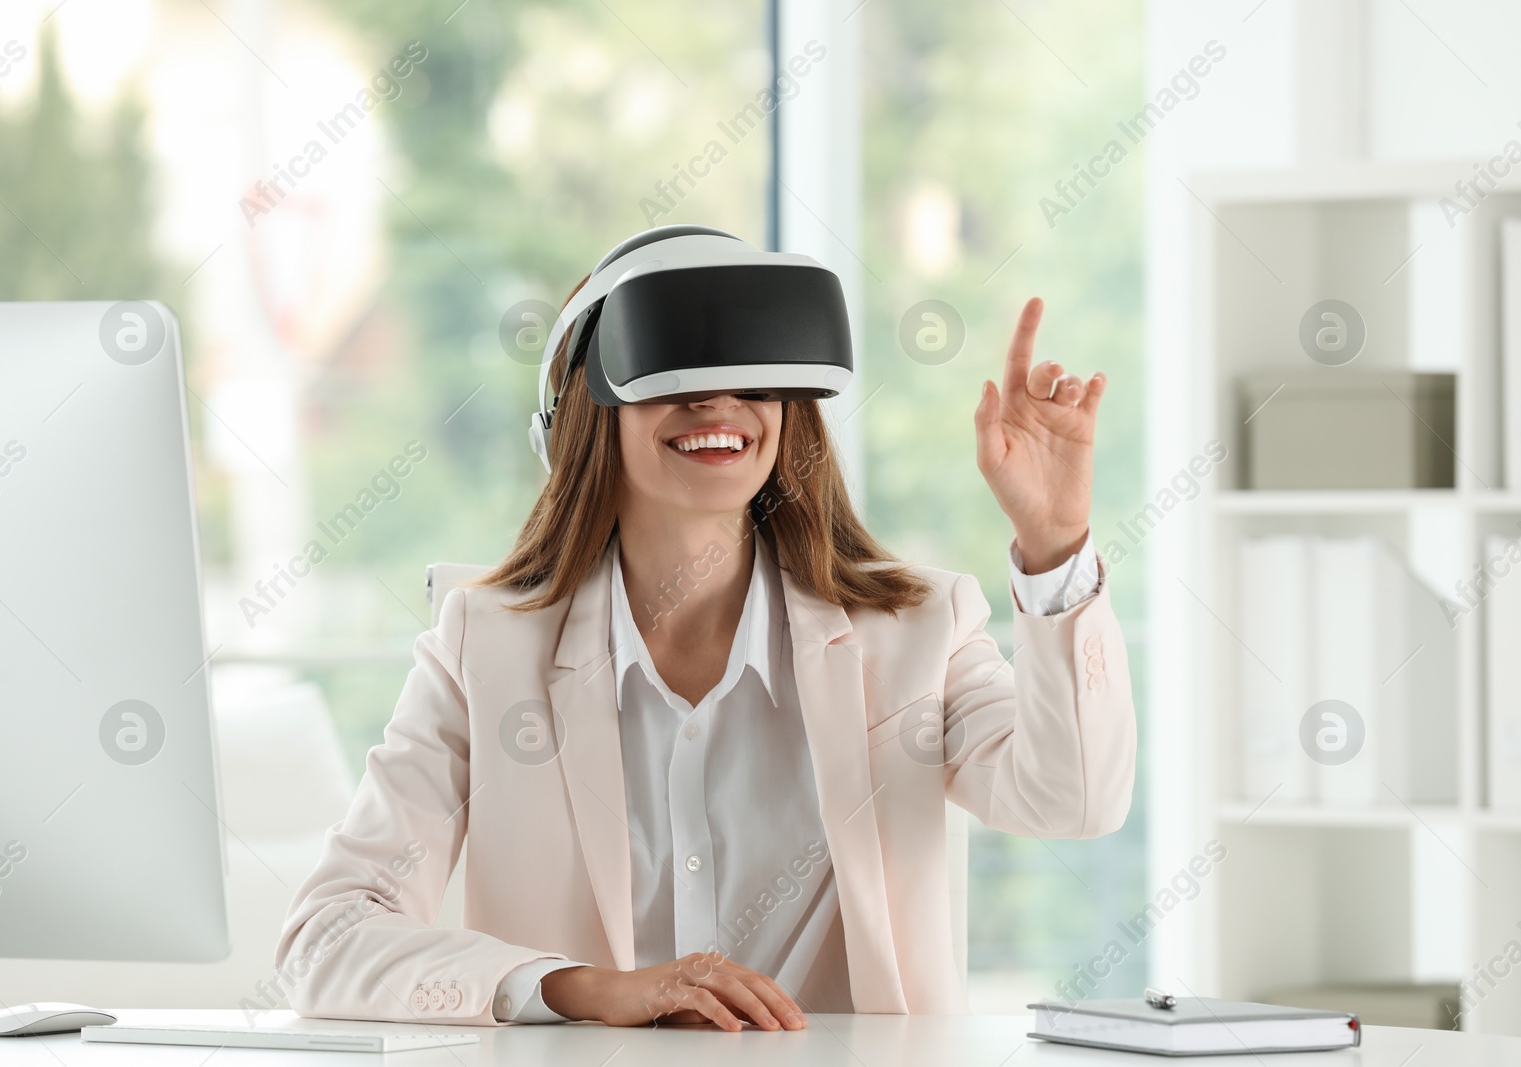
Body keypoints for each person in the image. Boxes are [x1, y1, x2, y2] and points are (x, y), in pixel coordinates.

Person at [275, 236, 1136, 1032]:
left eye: (755, 376)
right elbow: (327, 938)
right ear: (585, 412)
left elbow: (1076, 799)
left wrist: (1056, 548)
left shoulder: (915, 632)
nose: (719, 403)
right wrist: (582, 987)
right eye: (673, 375)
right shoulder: (486, 648)